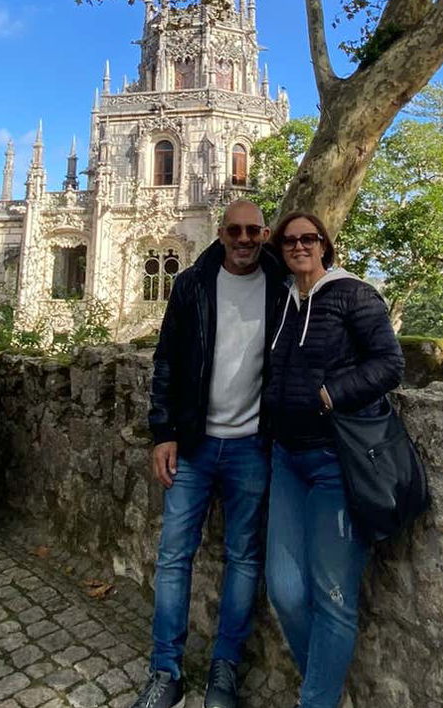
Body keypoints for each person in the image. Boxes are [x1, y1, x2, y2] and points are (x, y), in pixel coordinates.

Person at [134, 199, 285, 708]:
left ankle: (225, 669)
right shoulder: (192, 284)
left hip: (252, 447)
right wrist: (163, 432)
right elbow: (168, 362)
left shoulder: (284, 286)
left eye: (253, 232)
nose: (244, 239)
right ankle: (165, 672)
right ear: (220, 232)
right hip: (195, 445)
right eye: (235, 230)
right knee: (174, 556)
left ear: (265, 235)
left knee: (244, 557)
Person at [261, 211, 404, 708]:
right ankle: (320, 690)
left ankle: (315, 700)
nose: (299, 247)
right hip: (286, 459)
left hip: (334, 461)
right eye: (289, 241)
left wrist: (330, 394)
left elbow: (391, 362)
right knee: (284, 591)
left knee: (333, 597)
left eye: (309, 239)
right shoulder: (282, 298)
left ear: (325, 244)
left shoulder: (354, 294)